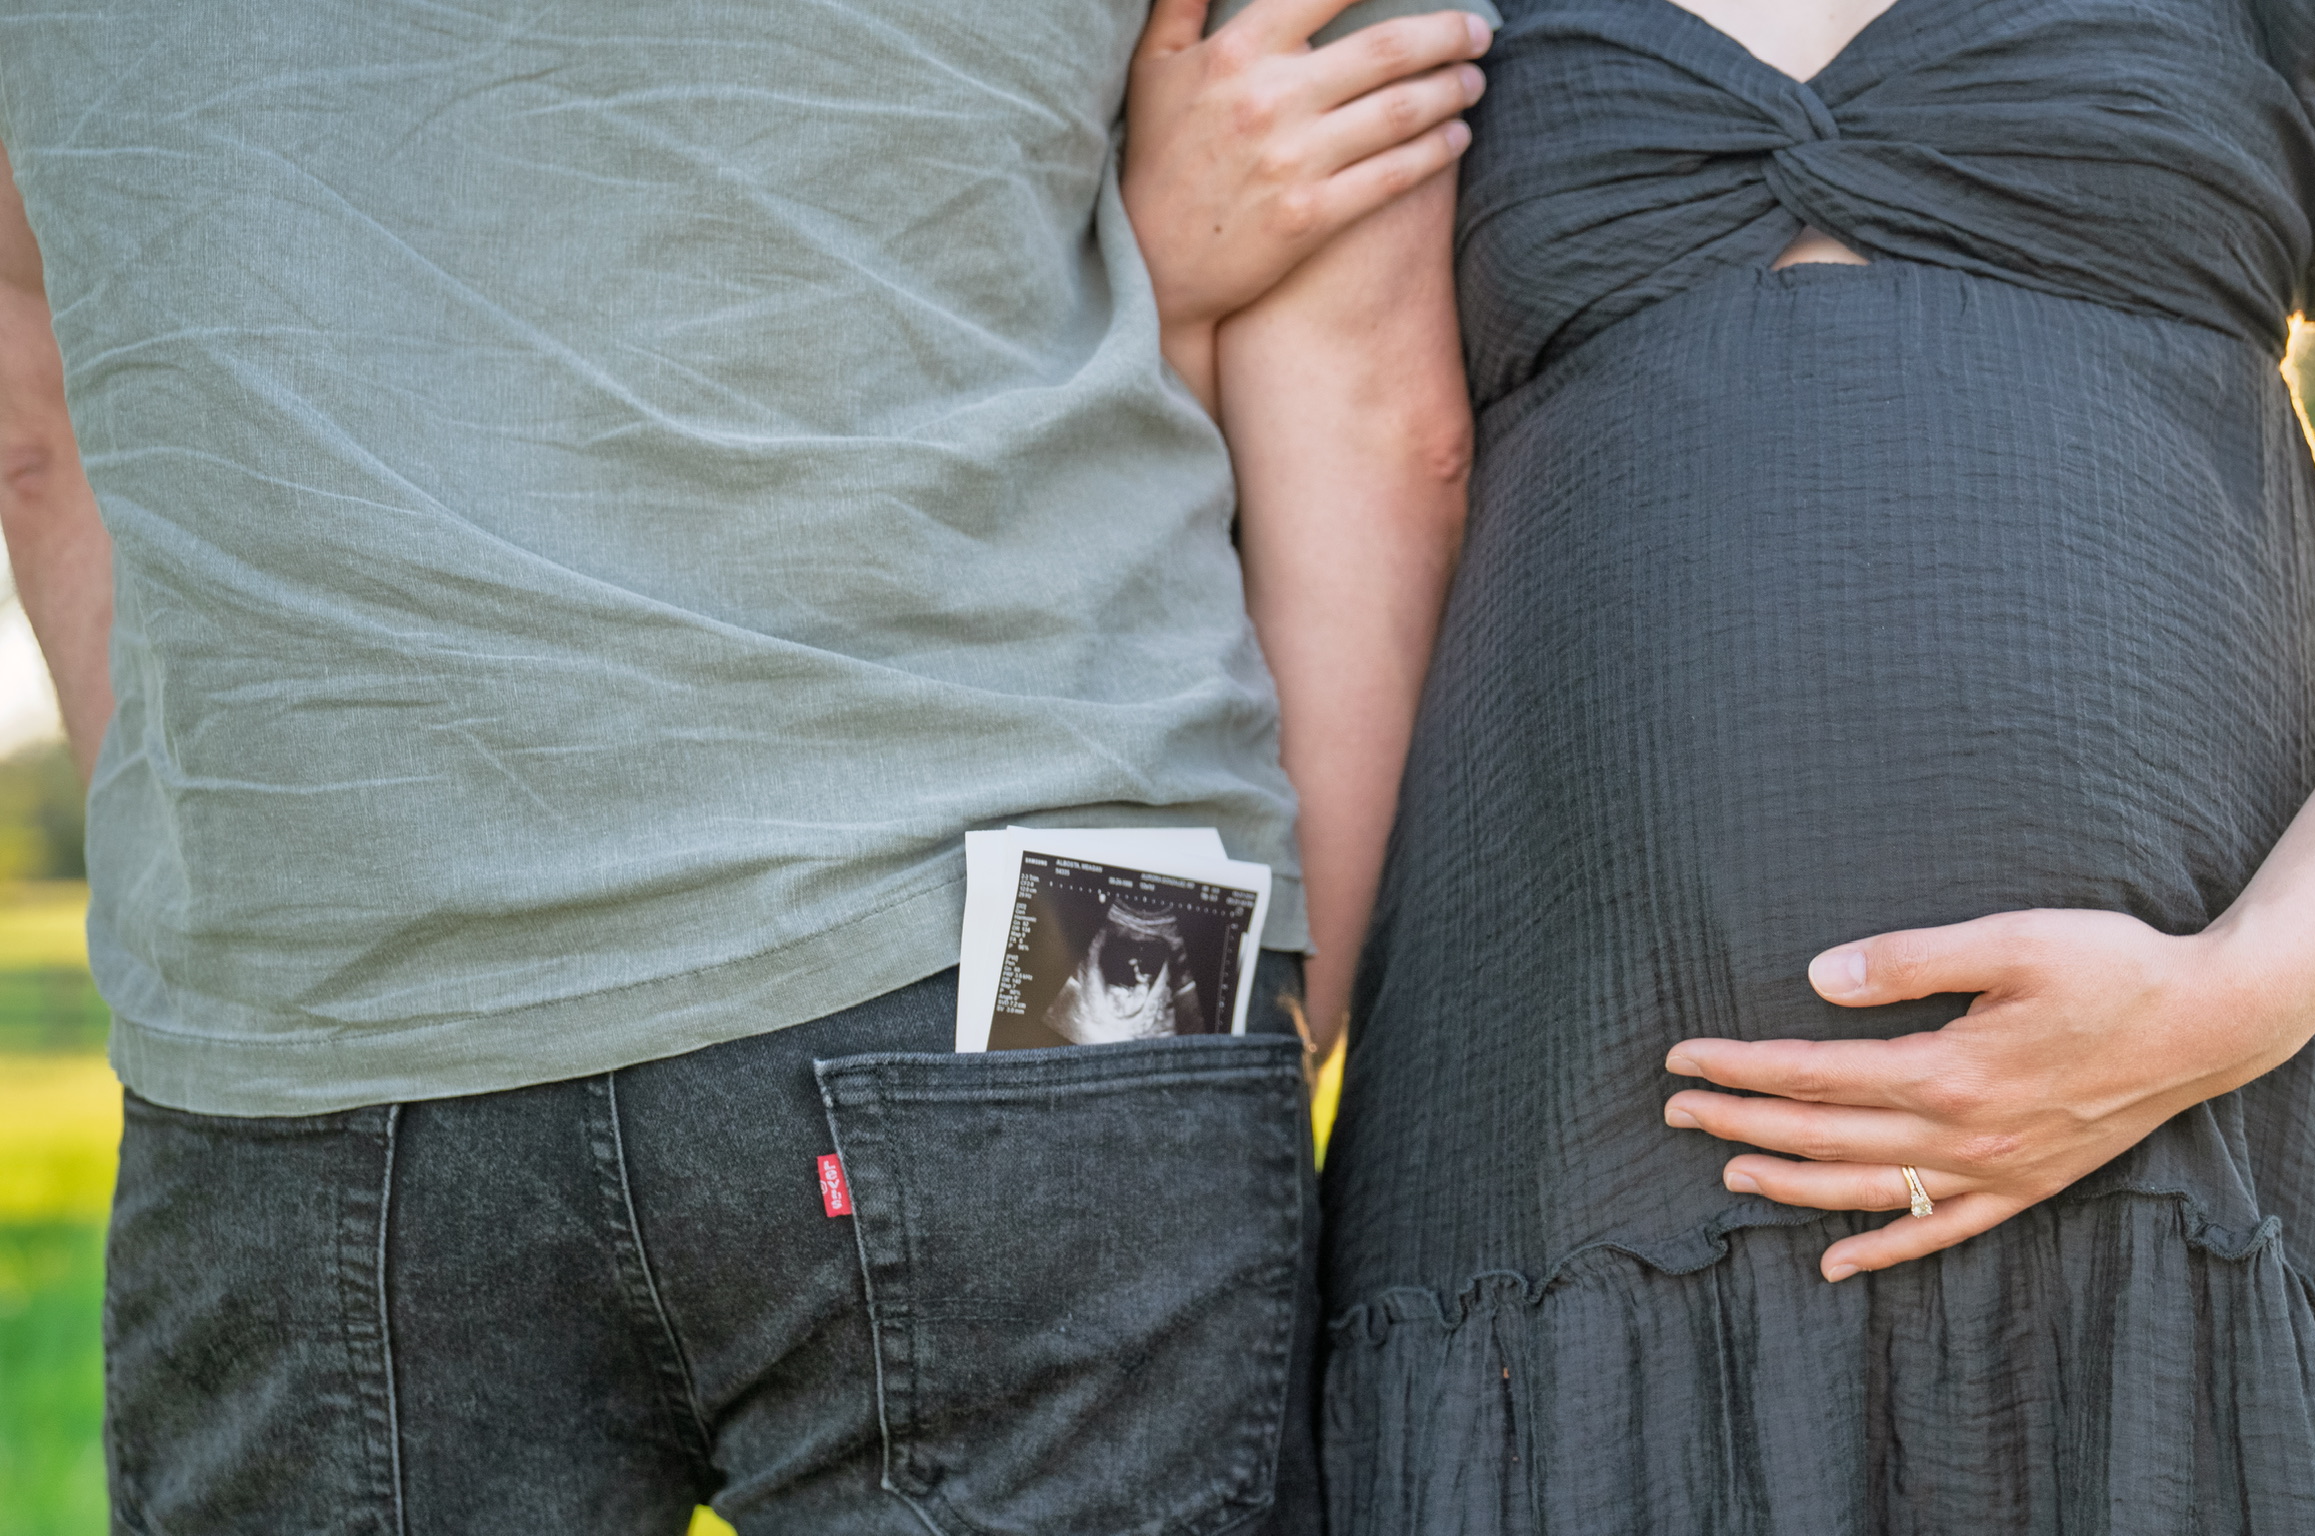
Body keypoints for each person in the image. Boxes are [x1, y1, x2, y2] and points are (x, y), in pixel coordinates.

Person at [0, 0, 1483, 1526]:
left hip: (298, 1003)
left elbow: (38, 425)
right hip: (1083, 909)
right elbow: (1380, 424)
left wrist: (230, 907)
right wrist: (1256, 1027)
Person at [1289, 0, 2315, 1530]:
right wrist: (1213, 1098)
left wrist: (2234, 997)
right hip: (1557, 1179)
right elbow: (1358, 493)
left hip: (2181, 1160)